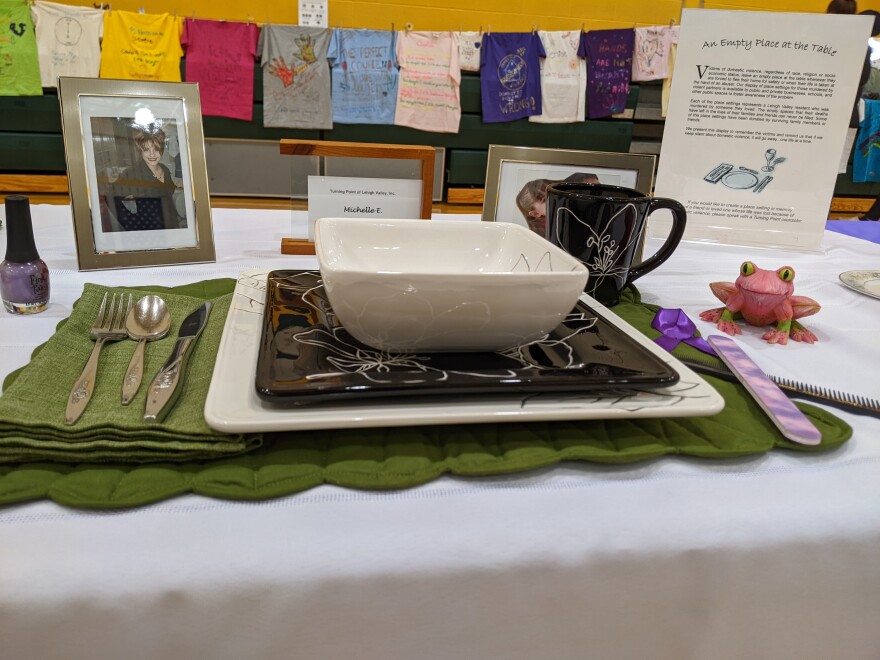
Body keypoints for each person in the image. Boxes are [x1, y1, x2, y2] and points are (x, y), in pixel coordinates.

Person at [109, 125, 185, 231]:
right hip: (150, 231)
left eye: (156, 149)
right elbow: (111, 196)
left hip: (171, 226)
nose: (152, 154)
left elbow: (166, 194)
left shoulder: (165, 170)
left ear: (161, 149)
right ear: (140, 151)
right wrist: (131, 222)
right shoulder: (133, 174)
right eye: (146, 150)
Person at [516, 172, 600, 235]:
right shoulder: (544, 237)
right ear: (536, 213)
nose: (554, 198)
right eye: (545, 200)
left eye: (552, 192)